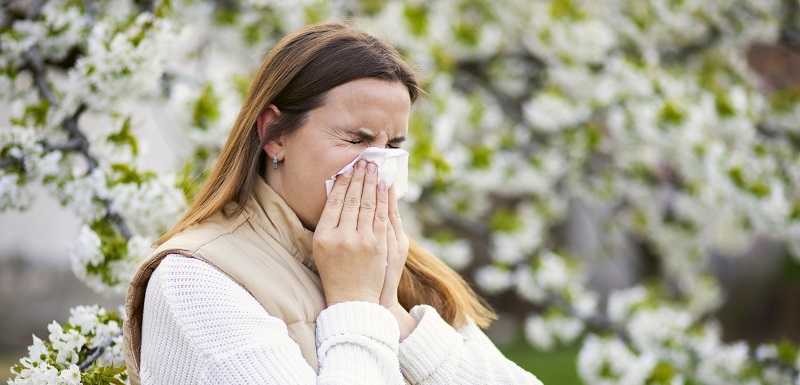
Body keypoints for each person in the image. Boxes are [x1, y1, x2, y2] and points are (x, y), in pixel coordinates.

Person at [122, 21, 544, 385]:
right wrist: (356, 302)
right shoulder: (195, 280)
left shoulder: (397, 264)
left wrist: (394, 313)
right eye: (356, 139)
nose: (378, 164)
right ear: (275, 134)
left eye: (395, 143)